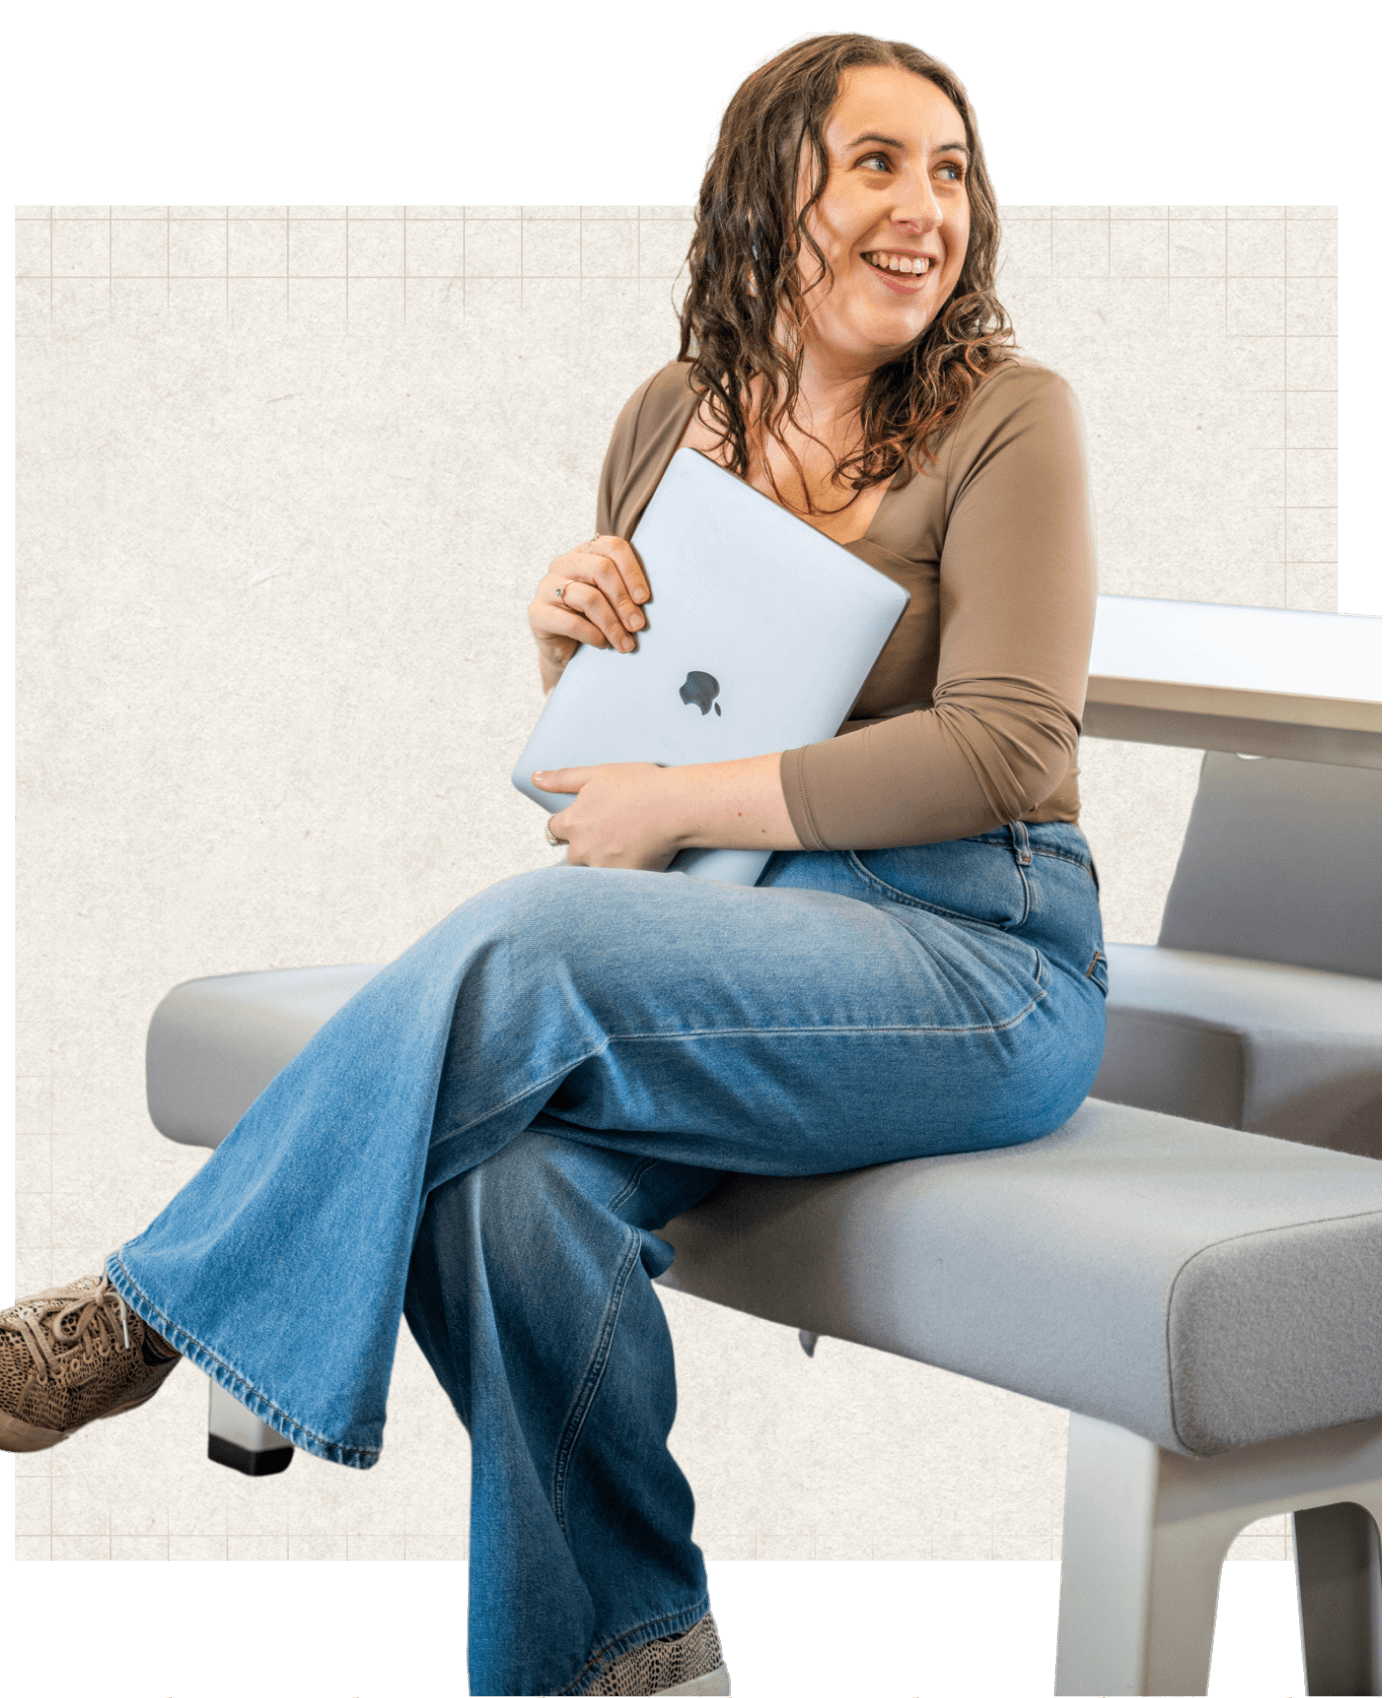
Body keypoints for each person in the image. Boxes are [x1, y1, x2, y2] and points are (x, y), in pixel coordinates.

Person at [3, 33, 1108, 1698]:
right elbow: (641, 766)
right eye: (877, 162)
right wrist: (565, 652)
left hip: (982, 956)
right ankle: (629, 1652)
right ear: (766, 192)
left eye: (950, 170)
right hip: (752, 941)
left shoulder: (1010, 417)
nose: (927, 207)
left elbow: (1009, 745)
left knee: (522, 944)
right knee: (500, 1182)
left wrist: (682, 807)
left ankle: (151, 1310)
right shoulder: (671, 418)